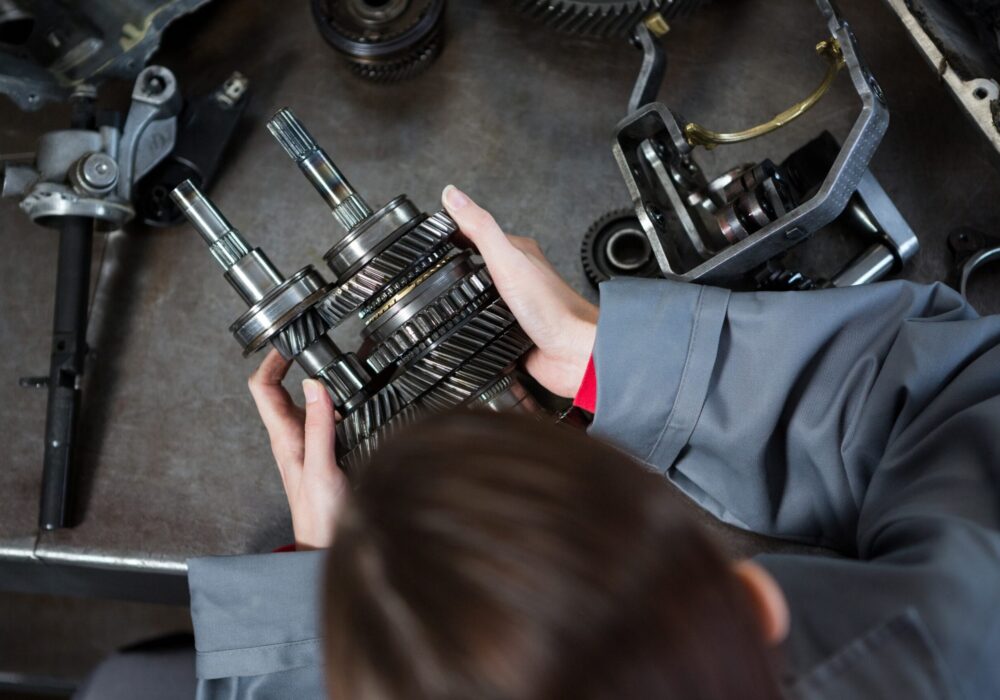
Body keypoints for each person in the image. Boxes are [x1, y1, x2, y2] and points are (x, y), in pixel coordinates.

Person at [187, 185, 1000, 699]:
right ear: (754, 603)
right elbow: (960, 400)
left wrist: (318, 612)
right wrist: (608, 359)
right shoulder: (934, 659)